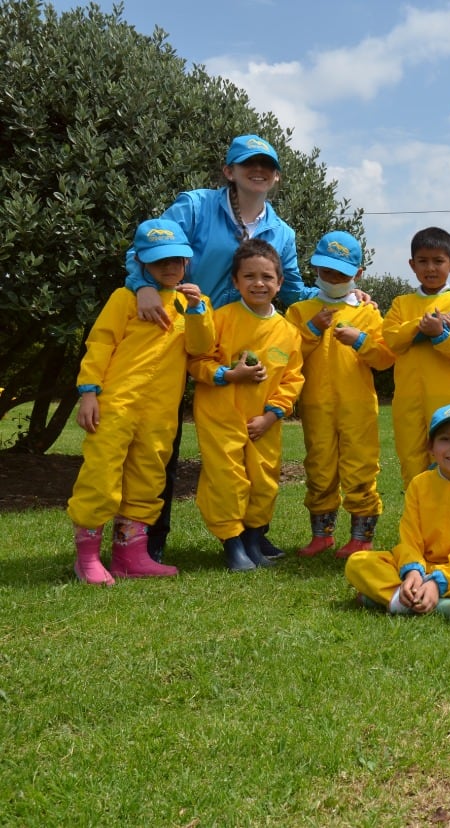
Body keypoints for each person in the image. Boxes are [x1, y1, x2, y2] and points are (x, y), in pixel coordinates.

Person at [122, 134, 323, 560]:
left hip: (241, 346)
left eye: (267, 165)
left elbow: (292, 288)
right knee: (160, 439)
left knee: (249, 452)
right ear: (229, 171)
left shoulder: (282, 232)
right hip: (176, 331)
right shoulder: (195, 207)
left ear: (277, 177)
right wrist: (142, 285)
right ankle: (149, 540)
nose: (259, 170)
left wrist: (341, 299)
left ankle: (250, 533)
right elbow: (147, 247)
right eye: (249, 163)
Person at [66, 220, 214, 584]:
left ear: (187, 262)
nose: (169, 267)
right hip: (116, 404)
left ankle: (129, 556)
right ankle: (87, 558)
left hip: (160, 412)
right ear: (141, 262)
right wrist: (89, 392)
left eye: (177, 260)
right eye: (159, 261)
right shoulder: (125, 298)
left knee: (148, 477)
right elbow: (100, 343)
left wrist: (196, 311)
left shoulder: (196, 303)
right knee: (101, 475)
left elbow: (200, 348)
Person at [189, 239, 304, 571]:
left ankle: (254, 540)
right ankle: (233, 543)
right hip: (220, 417)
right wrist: (228, 375)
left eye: (267, 277)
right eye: (249, 276)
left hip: (262, 423)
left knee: (264, 480)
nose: (258, 283)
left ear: (280, 283)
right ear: (235, 281)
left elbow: (292, 379)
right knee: (227, 481)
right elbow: (197, 361)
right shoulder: (221, 319)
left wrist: (272, 415)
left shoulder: (288, 332)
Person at [345, 403, 450, 623]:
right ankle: (439, 604)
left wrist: (438, 580)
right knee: (358, 562)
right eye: (446, 439)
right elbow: (410, 537)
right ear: (430, 448)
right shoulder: (419, 484)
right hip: (422, 566)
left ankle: (397, 597)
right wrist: (412, 571)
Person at [286, 231, 395, 558]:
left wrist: (361, 340)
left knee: (361, 467)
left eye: (340, 273)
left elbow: (385, 358)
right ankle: (322, 535)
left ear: (358, 274)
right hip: (316, 406)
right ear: (315, 268)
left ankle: (362, 537)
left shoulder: (368, 312)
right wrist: (312, 329)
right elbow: (287, 355)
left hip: (357, 407)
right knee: (319, 467)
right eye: (326, 271)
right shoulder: (300, 311)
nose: (332, 278)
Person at [382, 227, 450, 487]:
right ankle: (417, 509)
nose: (430, 268)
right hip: (408, 401)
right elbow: (391, 339)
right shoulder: (401, 304)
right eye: (423, 261)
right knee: (411, 461)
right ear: (412, 264)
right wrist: (423, 325)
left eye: (438, 261)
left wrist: (439, 336)